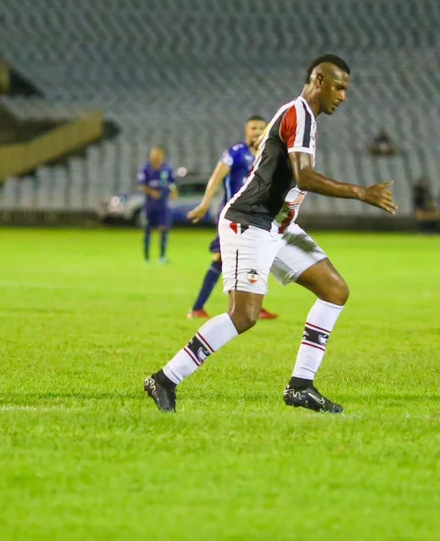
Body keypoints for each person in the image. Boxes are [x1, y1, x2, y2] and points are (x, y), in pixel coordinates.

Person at [143, 55, 397, 414]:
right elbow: (304, 176)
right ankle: (165, 378)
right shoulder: (299, 114)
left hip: (278, 226)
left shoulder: (303, 116)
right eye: (339, 87)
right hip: (249, 222)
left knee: (335, 290)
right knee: (244, 315)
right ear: (319, 80)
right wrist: (361, 192)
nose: (343, 96)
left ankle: (301, 386)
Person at [185, 116, 277, 321]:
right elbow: (217, 176)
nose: (257, 131)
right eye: (253, 128)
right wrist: (205, 204)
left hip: (256, 217)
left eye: (262, 128)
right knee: (222, 258)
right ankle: (198, 308)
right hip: (233, 216)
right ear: (246, 131)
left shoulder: (268, 155)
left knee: (253, 259)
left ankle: (252, 307)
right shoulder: (235, 153)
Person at [138, 146, 178, 263]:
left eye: (158, 155)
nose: (155, 157)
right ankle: (146, 257)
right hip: (150, 205)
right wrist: (152, 192)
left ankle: (162, 256)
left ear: (162, 156)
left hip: (163, 205)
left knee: (163, 229)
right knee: (147, 229)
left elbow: (172, 183)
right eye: (154, 155)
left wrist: (174, 191)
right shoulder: (145, 169)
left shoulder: (167, 169)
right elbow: (142, 185)